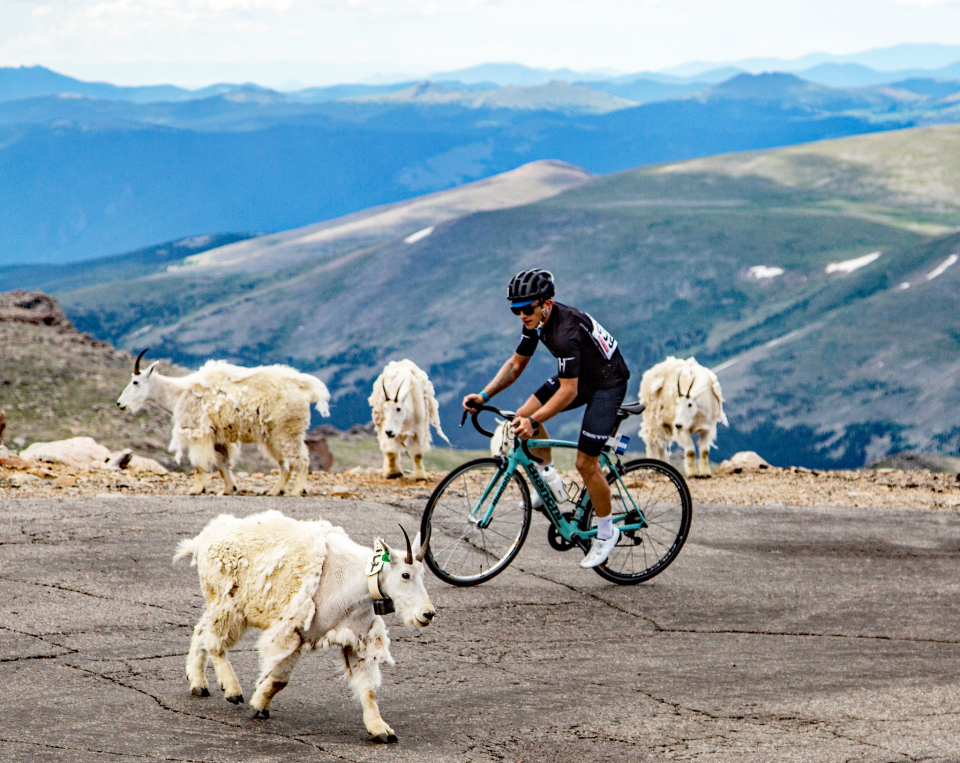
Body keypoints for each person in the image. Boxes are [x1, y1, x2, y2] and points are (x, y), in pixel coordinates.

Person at [462, 268, 631, 568]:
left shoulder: (566, 333)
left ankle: (607, 533)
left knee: (585, 462)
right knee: (524, 414)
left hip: (607, 383)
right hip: (583, 377)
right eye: (515, 310)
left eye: (527, 309)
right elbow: (515, 365)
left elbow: (568, 392)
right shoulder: (537, 322)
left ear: (546, 304)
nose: (521, 315)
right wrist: (484, 395)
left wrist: (533, 421)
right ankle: (551, 479)